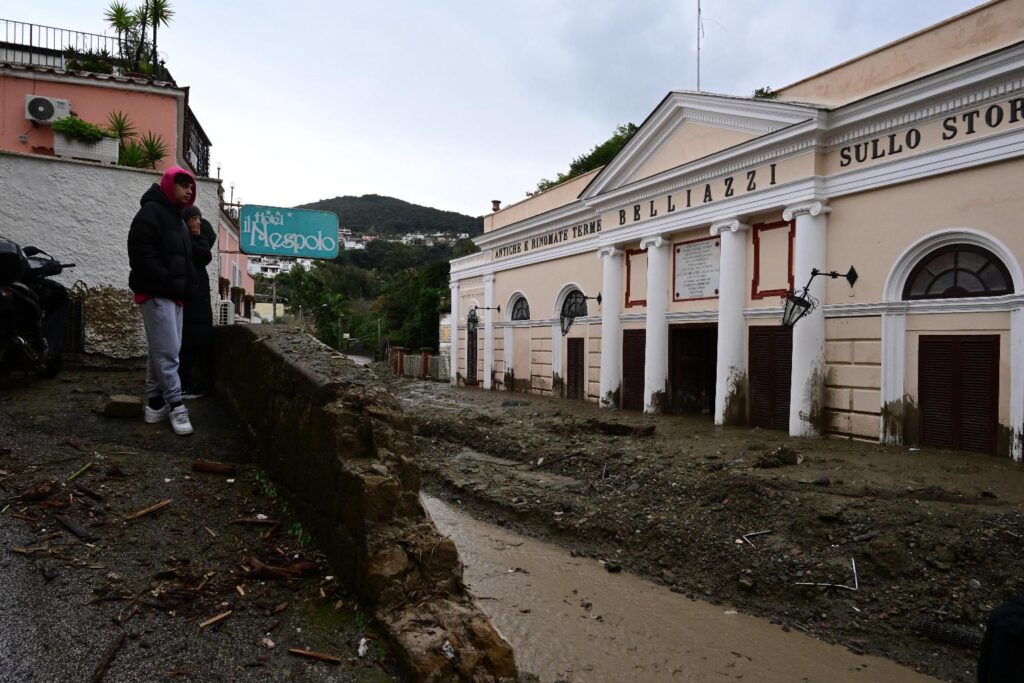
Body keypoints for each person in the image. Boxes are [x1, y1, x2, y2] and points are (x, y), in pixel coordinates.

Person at [127, 165, 197, 436]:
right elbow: (141, 255)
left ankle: (155, 404)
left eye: (191, 186)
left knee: (162, 350)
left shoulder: (178, 219)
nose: (189, 189)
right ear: (169, 185)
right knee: (168, 352)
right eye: (183, 184)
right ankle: (177, 406)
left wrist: (183, 287)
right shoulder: (150, 213)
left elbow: (187, 259)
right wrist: (167, 280)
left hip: (174, 295)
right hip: (156, 293)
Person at [178, 206, 216, 398]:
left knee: (190, 342)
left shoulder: (187, 242)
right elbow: (204, 255)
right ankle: (183, 385)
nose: (198, 223)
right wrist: (196, 234)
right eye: (195, 219)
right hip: (192, 302)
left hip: (194, 300)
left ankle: (184, 382)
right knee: (190, 343)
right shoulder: (189, 243)